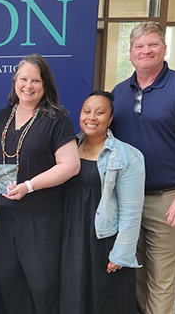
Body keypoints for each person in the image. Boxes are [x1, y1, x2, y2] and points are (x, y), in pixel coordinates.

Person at [110, 22, 175, 314]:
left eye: (153, 44)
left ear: (164, 49)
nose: (146, 51)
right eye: (139, 46)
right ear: (130, 54)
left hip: (168, 200)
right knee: (139, 276)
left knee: (161, 280)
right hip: (127, 201)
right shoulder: (119, 93)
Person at [0, 53, 80, 313]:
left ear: (45, 85)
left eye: (36, 81)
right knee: (8, 283)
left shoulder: (56, 119)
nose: (28, 86)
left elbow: (70, 165)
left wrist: (29, 186)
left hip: (41, 219)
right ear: (15, 81)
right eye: (23, 79)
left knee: (43, 287)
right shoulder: (3, 116)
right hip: (4, 217)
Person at [60, 91, 145, 314]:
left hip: (104, 240)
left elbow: (131, 210)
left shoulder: (127, 156)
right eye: (86, 111)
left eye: (100, 113)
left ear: (110, 119)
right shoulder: (66, 149)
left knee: (103, 300)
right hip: (70, 237)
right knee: (73, 295)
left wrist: (121, 253)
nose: (91, 117)